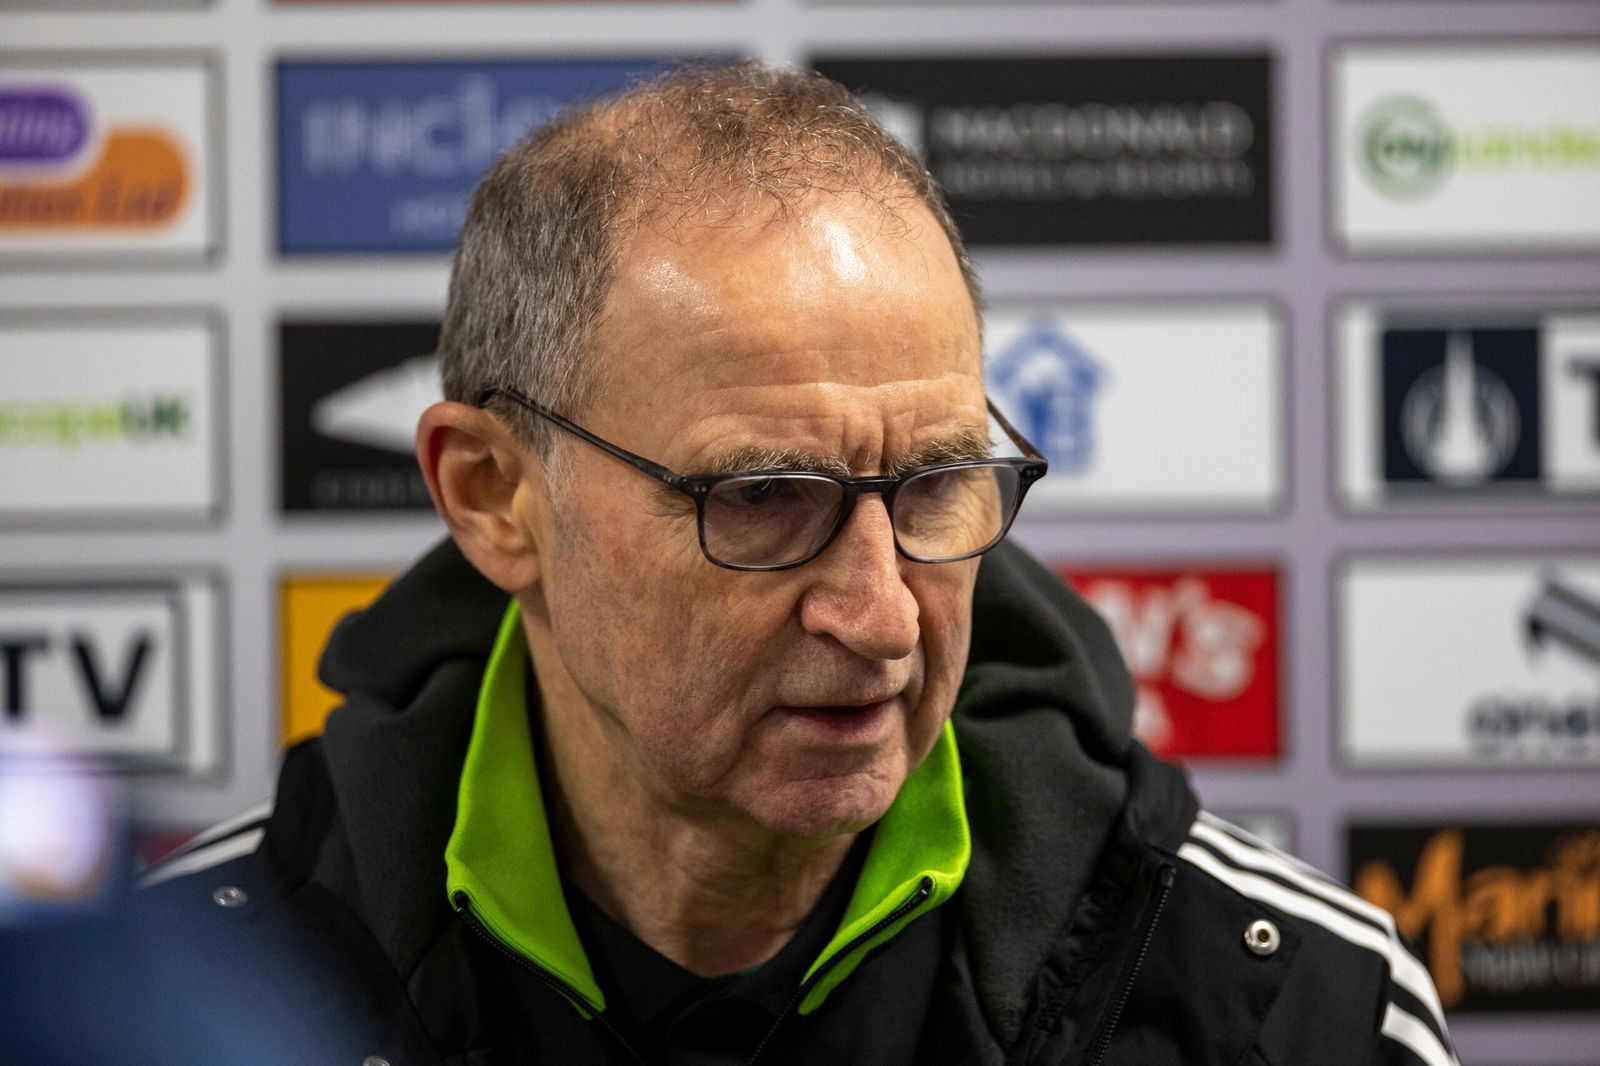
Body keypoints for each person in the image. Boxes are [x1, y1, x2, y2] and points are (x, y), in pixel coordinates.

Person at [130, 61, 1457, 1066]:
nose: (883, 617)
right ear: (492, 495)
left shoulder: (1297, 1007)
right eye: (761, 497)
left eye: (936, 481)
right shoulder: (174, 998)